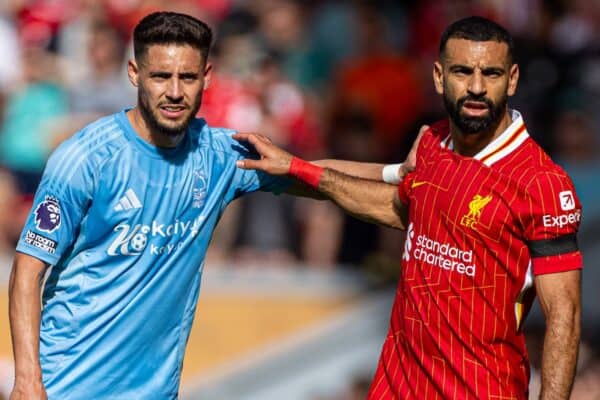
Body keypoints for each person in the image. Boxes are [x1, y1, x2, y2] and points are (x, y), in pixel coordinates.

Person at [234, 16, 582, 399]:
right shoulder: (432, 143)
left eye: (492, 73)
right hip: (396, 386)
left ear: (512, 79)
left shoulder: (541, 183)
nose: (477, 87)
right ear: (438, 76)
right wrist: (293, 169)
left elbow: (564, 317)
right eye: (463, 72)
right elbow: (392, 204)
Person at [8, 11, 303, 400]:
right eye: (161, 76)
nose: (175, 91)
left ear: (207, 77)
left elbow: (317, 175)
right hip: (67, 389)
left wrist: (394, 173)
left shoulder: (217, 157)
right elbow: (27, 272)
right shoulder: (86, 159)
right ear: (134, 73)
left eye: (188, 77)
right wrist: (28, 381)